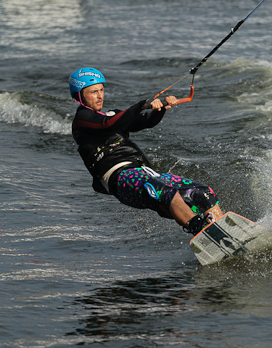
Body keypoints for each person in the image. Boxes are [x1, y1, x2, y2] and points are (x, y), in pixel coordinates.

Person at [69, 67, 223, 235]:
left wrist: (160, 108)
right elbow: (108, 123)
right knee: (163, 191)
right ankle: (200, 230)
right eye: (93, 92)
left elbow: (145, 121)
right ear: (79, 96)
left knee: (203, 193)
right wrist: (142, 104)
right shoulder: (82, 120)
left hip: (145, 173)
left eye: (101, 90)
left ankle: (221, 229)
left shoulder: (113, 114)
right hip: (119, 177)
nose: (99, 96)